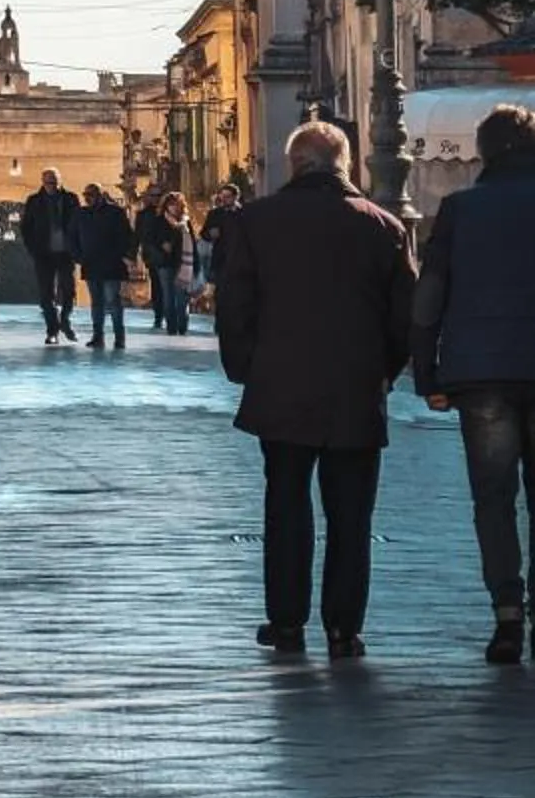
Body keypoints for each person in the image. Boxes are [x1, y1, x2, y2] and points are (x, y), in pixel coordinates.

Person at [218, 118, 414, 661]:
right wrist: (384, 371)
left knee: (285, 505)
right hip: (356, 389)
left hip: (280, 386)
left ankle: (286, 622)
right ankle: (344, 628)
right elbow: (404, 317)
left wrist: (245, 368)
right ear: (344, 163)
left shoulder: (256, 221)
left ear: (294, 165)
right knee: (351, 514)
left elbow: (235, 305)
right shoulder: (383, 226)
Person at [412, 103, 535, 664]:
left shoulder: (460, 210)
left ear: (483, 152)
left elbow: (430, 294)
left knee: (493, 497)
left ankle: (507, 614)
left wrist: (426, 370)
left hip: (481, 369)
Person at [20, 168, 81, 344]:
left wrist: (77, 247)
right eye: (48, 182)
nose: (51, 186)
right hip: (43, 254)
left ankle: (65, 320)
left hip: (66, 252)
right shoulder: (34, 201)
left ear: (60, 182)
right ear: (43, 182)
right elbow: (26, 227)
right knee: (46, 294)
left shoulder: (71, 199)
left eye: (54, 182)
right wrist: (33, 248)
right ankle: (52, 330)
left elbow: (78, 223)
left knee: (69, 290)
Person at [78, 182, 136, 352]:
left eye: (91, 195)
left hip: (112, 265)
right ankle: (98, 336)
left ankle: (119, 337)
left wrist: (123, 255)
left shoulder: (115, 213)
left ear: (100, 196)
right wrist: (79, 256)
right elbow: (72, 236)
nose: (88, 198)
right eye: (86, 195)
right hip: (91, 264)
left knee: (113, 301)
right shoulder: (81, 214)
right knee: (96, 302)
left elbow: (127, 236)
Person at [147, 188, 195, 337]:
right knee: (168, 296)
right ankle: (171, 327)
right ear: (166, 205)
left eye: (177, 204)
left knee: (182, 298)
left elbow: (192, 242)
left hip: (183, 263)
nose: (174, 207)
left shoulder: (185, 222)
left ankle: (182, 325)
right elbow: (150, 239)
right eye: (171, 204)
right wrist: (162, 244)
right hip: (165, 263)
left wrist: (196, 264)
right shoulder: (159, 221)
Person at [133, 191, 169, 332]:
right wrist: (132, 255)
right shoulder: (142, 215)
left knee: (168, 288)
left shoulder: (169, 213)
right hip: (152, 257)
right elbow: (137, 236)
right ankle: (159, 316)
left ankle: (170, 316)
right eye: (152, 195)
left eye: (158, 195)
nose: (155, 198)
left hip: (170, 256)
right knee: (157, 287)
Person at [199, 184, 243, 300]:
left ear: (236, 197)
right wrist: (210, 234)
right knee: (220, 294)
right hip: (220, 260)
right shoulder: (214, 214)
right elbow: (203, 233)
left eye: (227, 196)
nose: (224, 199)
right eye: (222, 196)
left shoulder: (243, 213)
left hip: (239, 259)